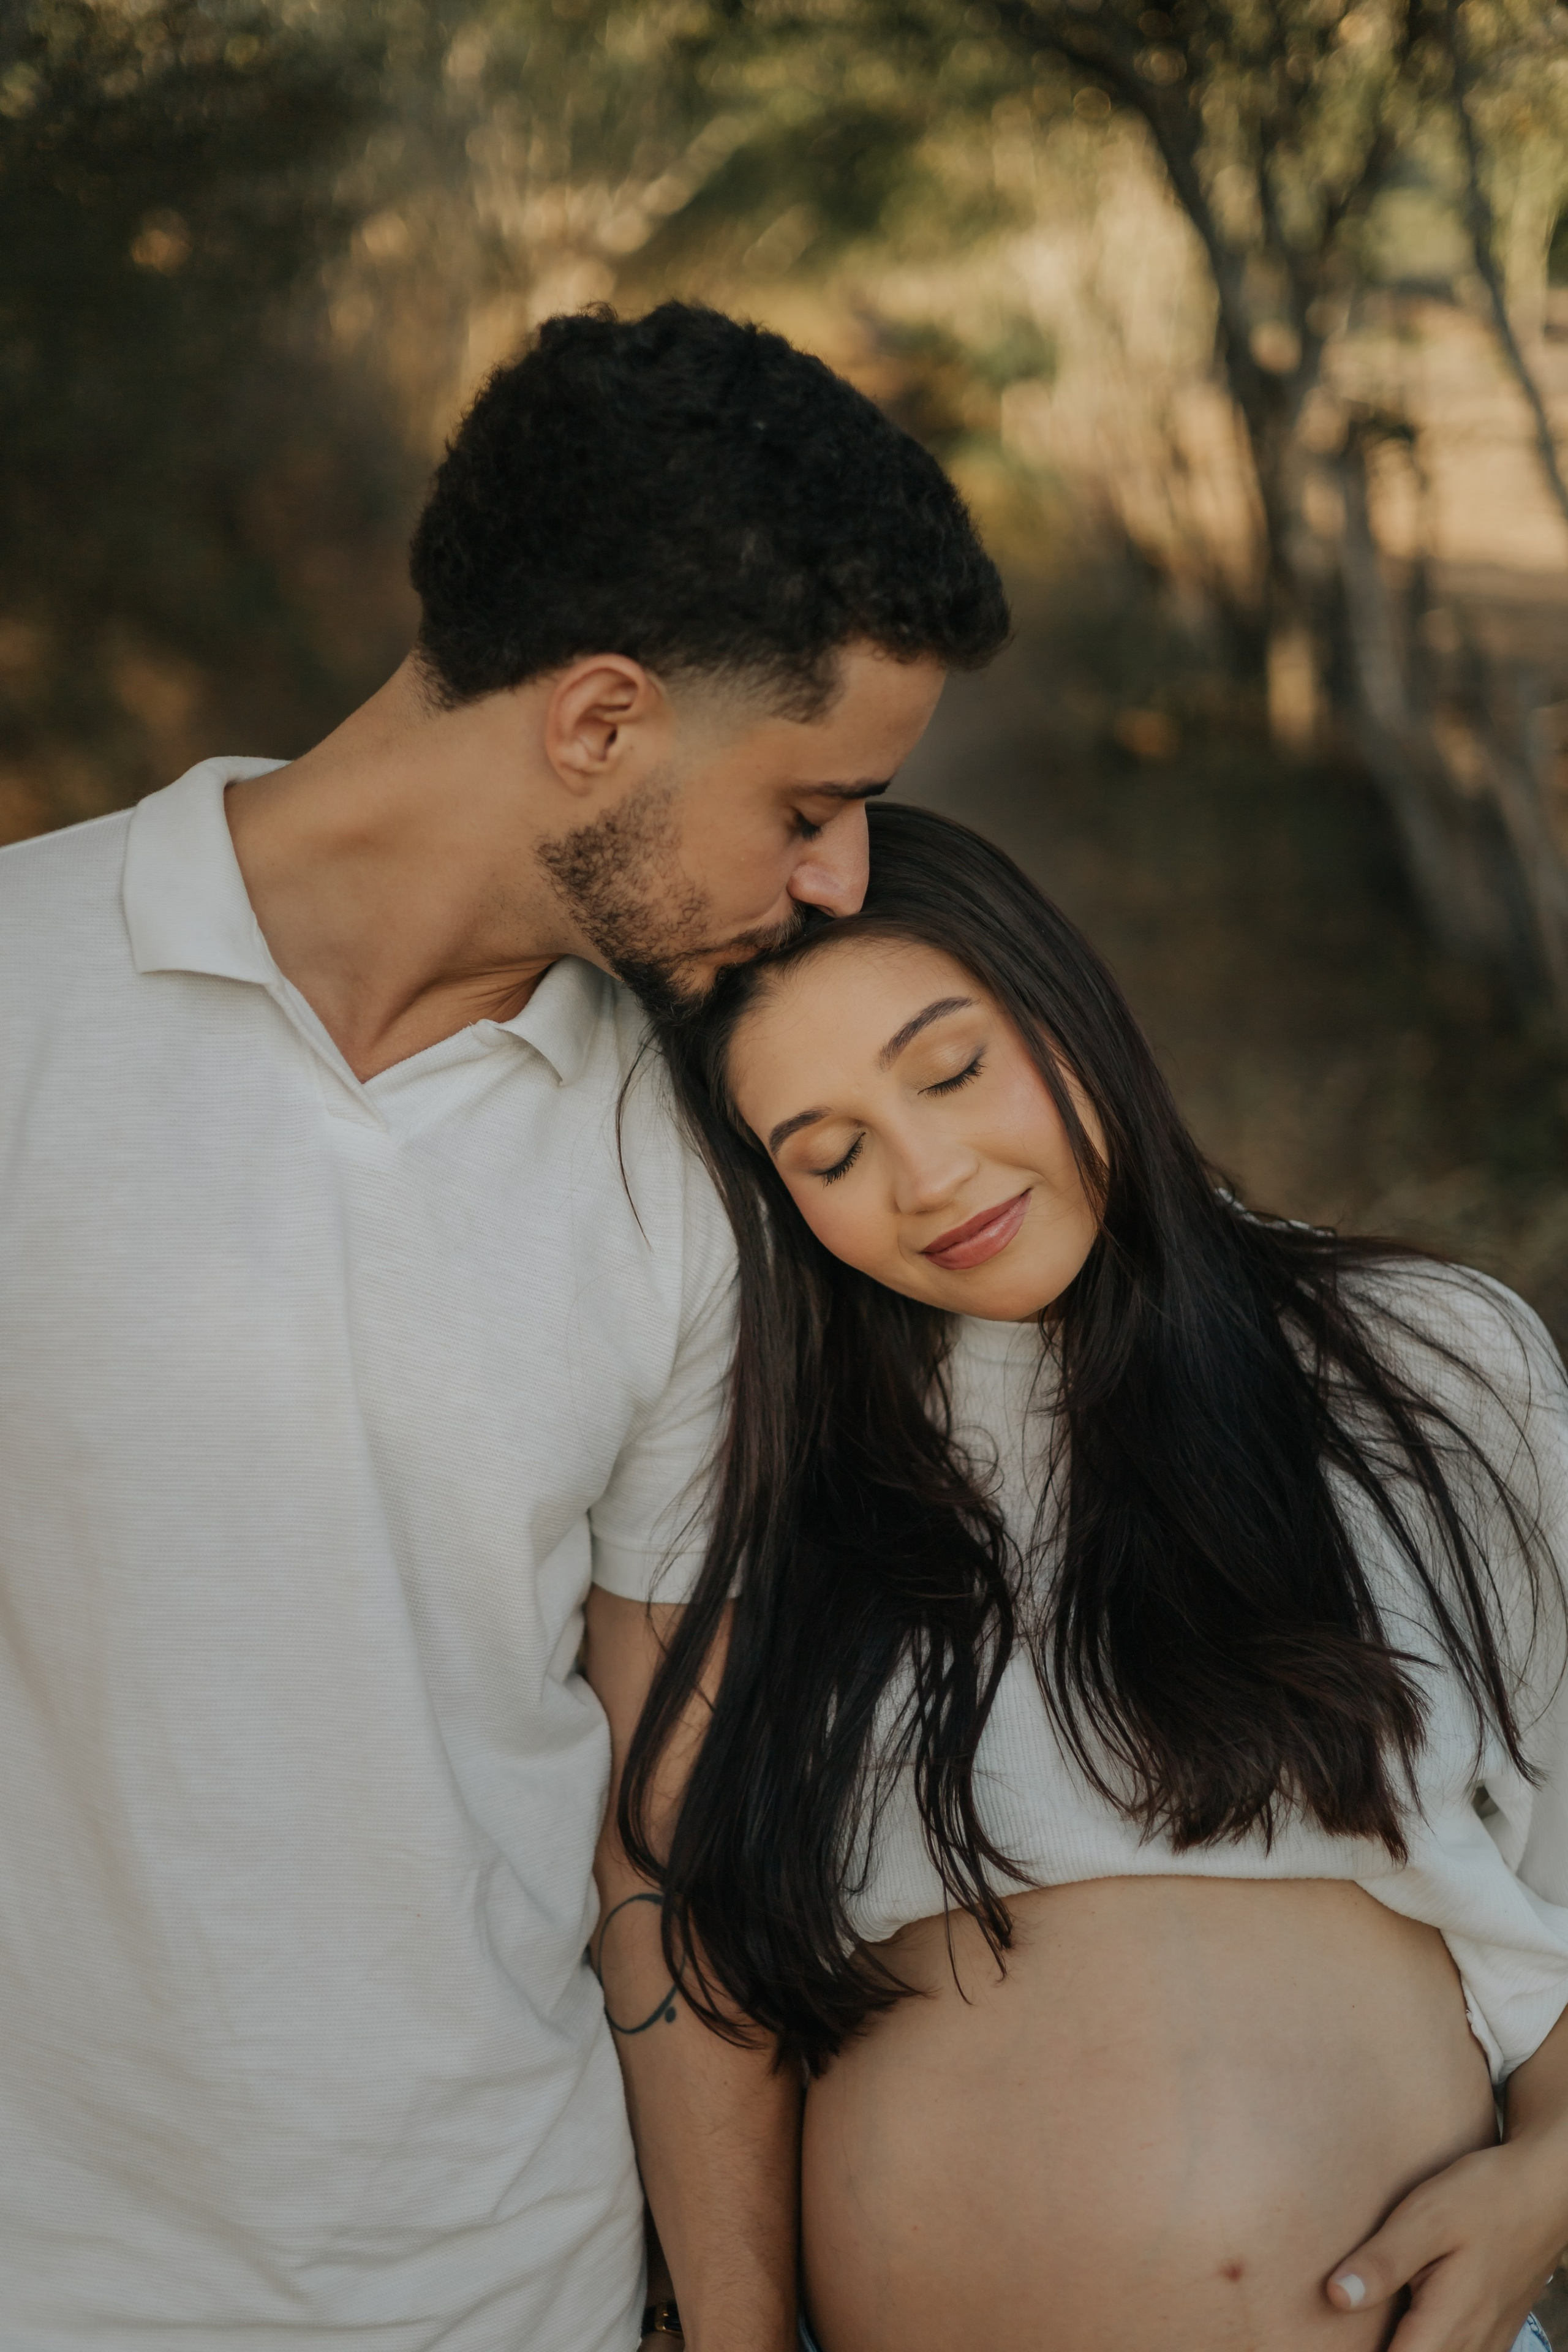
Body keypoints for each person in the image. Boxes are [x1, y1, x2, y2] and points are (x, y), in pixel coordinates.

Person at [0, 307, 1008, 2350]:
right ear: (601, 722)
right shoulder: (19, 998)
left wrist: (727, 2331)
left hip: (501, 2290)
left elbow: (670, 1840)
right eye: (810, 802)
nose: (843, 880)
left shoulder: (709, 1174)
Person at [623, 804, 1568, 2352]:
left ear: (1065, 1007)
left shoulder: (1430, 1359)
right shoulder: (754, 1482)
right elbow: (669, 1915)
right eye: (831, 1154)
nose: (927, 1175)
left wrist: (1549, 2180)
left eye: (950, 1067)